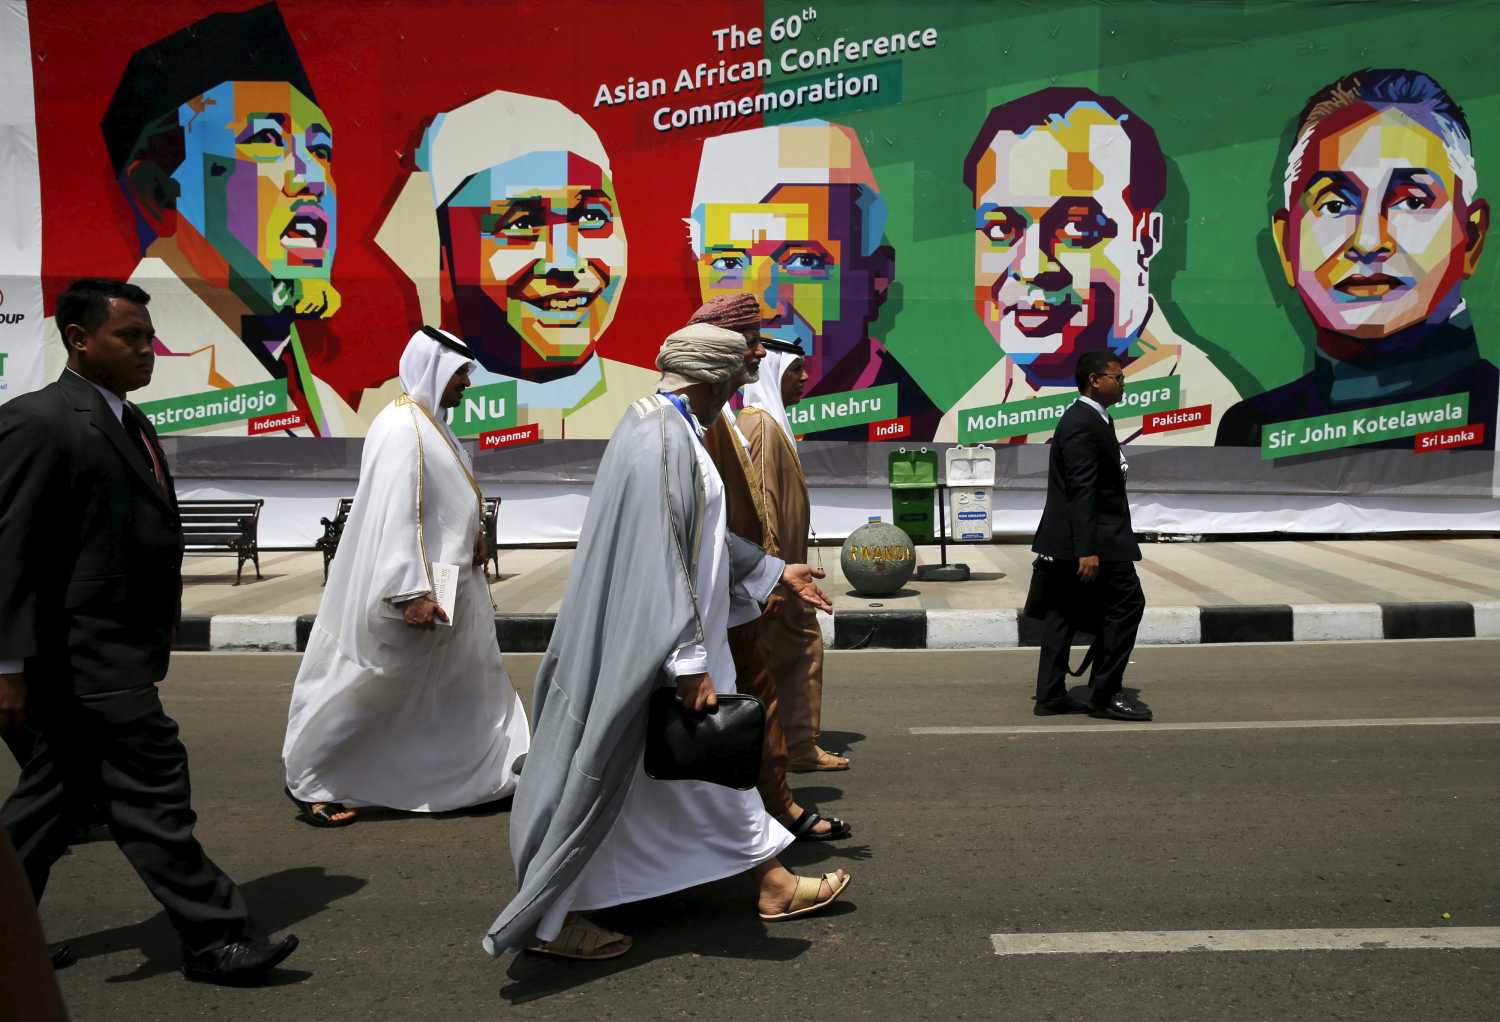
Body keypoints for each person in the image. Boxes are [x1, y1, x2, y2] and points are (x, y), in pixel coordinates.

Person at [483, 317, 848, 960]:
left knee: (692, 782)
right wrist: (687, 661)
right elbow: (662, 556)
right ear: (713, 379)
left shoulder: (670, 426)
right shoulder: (661, 437)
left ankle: (772, 881)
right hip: (659, 651)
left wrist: (770, 571)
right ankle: (549, 918)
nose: (739, 390)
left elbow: (700, 538)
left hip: (680, 640)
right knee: (609, 782)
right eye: (736, 379)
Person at [0, 278, 298, 984]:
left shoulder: (125, 418)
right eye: (128, 338)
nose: (146, 351)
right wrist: (6, 666)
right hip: (83, 659)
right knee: (152, 787)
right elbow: (10, 549)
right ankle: (215, 937)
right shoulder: (41, 422)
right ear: (78, 339)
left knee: (50, 804)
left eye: (148, 337)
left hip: (112, 654)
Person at [44, 3, 395, 437]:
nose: (311, 177)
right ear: (159, 190)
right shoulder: (76, 372)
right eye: (266, 138)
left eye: (321, 150)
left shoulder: (330, 409)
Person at [282, 326, 530, 826]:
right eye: (461, 373)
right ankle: (314, 778)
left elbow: (441, 502)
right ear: (434, 370)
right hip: (417, 593)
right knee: (373, 688)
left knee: (459, 686)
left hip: (451, 584)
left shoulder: (427, 423)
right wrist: (409, 592)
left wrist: (473, 536)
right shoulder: (403, 430)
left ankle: (484, 775)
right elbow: (399, 515)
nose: (467, 384)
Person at [938, 88, 1237, 444]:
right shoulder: (961, 424)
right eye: (1001, 229)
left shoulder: (1209, 417)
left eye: (1076, 228)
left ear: (1146, 238)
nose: (1031, 266)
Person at [1217, 68, 1496, 449]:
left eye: (1412, 201)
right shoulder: (1253, 430)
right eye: (1334, 205)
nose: (1368, 241)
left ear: (1472, 238)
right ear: (1286, 247)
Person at [376, 90, 657, 437]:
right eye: (521, 224)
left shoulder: (657, 406)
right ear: (442, 251)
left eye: (590, 217)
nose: (565, 262)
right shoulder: (394, 421)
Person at [689, 294, 850, 842]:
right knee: (757, 695)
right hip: (743, 587)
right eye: (750, 343)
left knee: (759, 694)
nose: (758, 352)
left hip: (757, 579)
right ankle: (770, 810)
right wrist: (771, 573)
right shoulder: (742, 424)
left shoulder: (740, 423)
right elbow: (743, 512)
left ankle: (772, 805)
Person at [688, 120, 942, 440]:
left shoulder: (924, 425)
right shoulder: (690, 419)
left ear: (877, 279)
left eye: (803, 261)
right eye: (728, 263)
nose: (764, 306)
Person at [737, 332, 846, 773]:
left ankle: (779, 745)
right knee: (800, 653)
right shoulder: (762, 425)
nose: (805, 378)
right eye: (796, 370)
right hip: (778, 572)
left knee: (777, 661)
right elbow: (763, 503)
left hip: (779, 570)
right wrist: (774, 573)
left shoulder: (770, 422)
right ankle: (797, 747)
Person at [1031, 350, 1151, 722]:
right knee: (1128, 605)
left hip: (1076, 539)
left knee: (1063, 614)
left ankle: (1050, 695)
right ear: (1095, 380)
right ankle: (1106, 693)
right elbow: (1083, 489)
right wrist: (1087, 549)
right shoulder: (1084, 422)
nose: (1122, 383)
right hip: (1093, 542)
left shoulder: (1095, 418)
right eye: (1117, 377)